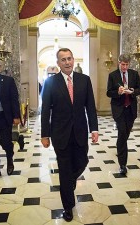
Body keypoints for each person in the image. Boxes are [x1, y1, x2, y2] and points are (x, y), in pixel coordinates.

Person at [41, 48, 99, 222]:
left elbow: (90, 107)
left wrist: (94, 129)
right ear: (58, 63)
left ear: (73, 60)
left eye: (69, 59)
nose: (67, 62)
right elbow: (45, 111)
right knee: (64, 171)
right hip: (60, 134)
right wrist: (45, 134)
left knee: (82, 162)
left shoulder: (84, 80)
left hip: (80, 132)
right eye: (63, 60)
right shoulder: (51, 83)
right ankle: (68, 206)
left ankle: (70, 181)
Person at [106, 54, 140, 175]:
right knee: (122, 133)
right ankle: (123, 164)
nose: (125, 67)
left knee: (125, 133)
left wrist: (132, 91)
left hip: (131, 109)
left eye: (127, 65)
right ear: (119, 62)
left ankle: (119, 145)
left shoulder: (134, 74)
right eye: (123, 64)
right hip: (119, 109)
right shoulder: (113, 75)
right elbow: (108, 92)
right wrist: (118, 92)